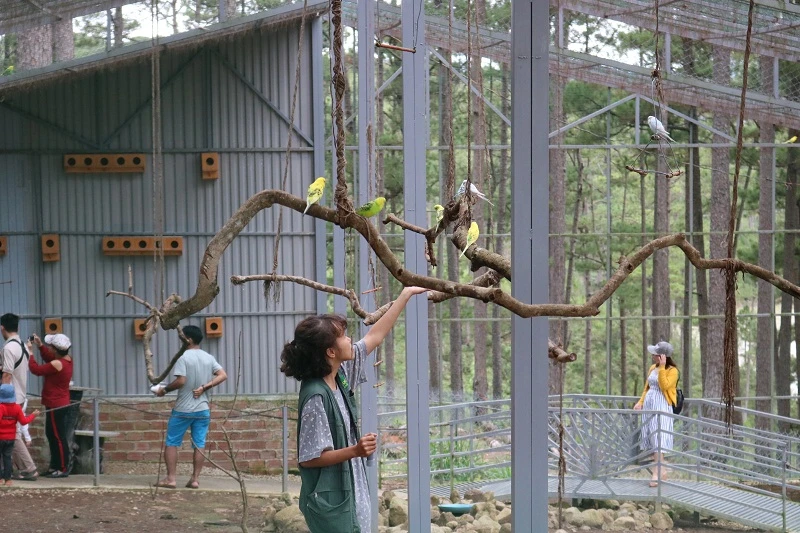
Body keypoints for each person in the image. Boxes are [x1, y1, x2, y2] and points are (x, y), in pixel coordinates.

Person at [280, 286, 428, 533]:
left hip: (351, 495)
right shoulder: (316, 397)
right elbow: (309, 458)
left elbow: (375, 336)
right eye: (343, 337)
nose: (350, 340)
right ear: (330, 351)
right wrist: (355, 450)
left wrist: (404, 295)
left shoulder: (340, 375)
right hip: (333, 504)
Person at [154, 325, 227, 489]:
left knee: (172, 441)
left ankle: (171, 479)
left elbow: (181, 381)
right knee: (199, 443)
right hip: (203, 409)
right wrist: (205, 387)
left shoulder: (183, 357)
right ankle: (194, 479)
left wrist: (164, 390)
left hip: (183, 409)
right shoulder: (208, 357)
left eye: (182, 337)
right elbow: (223, 375)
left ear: (189, 339)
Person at [28, 333, 74, 478]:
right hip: (60, 402)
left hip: (56, 403)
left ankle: (61, 467)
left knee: (57, 436)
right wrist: (40, 345)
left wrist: (30, 352)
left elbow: (36, 370)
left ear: (56, 349)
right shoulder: (66, 360)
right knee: (53, 434)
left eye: (50, 346)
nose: (49, 348)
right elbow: (49, 358)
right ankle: (55, 466)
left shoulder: (58, 363)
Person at [634, 340, 679, 487]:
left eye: (656, 354)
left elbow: (664, 385)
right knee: (652, 438)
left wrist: (662, 367)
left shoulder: (672, 371)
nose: (653, 356)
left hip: (662, 405)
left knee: (659, 437)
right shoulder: (652, 367)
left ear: (662, 356)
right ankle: (663, 472)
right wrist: (640, 402)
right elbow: (647, 388)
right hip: (649, 405)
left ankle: (656, 473)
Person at [0, 313, 38, 481]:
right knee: (11, 433)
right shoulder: (22, 345)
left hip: (10, 397)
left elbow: (7, 375)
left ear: (2, 328)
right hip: (20, 394)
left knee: (11, 435)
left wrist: (3, 398)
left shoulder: (8, 348)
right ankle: (20, 469)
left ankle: (28, 468)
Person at [0, 384, 39, 486]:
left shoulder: (1, 408)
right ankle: (8, 479)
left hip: (1, 437)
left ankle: (0, 479)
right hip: (11, 438)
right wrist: (33, 415)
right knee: (7, 458)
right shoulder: (17, 408)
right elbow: (24, 421)